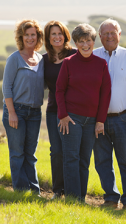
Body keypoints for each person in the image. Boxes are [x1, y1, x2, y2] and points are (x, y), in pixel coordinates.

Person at [93, 18, 126, 213]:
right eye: (105, 33)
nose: (109, 36)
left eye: (113, 32)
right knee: (102, 160)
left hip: (123, 118)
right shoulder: (93, 56)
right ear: (99, 37)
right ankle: (111, 198)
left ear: (119, 35)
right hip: (98, 120)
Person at [56, 23, 111, 201]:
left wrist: (100, 120)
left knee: (84, 160)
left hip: (92, 120)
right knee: (71, 158)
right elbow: (59, 90)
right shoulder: (68, 63)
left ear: (93, 42)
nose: (85, 45)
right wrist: (63, 115)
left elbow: (105, 94)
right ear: (76, 43)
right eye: (81, 41)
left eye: (88, 40)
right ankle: (73, 200)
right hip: (72, 119)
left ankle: (80, 198)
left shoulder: (101, 64)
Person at [2, 19, 44, 194]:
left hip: (35, 113)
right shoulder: (14, 59)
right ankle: (20, 190)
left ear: (38, 36)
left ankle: (34, 191)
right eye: (26, 35)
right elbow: (6, 87)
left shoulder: (41, 59)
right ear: (21, 37)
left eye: (33, 34)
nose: (29, 38)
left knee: (30, 154)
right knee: (17, 153)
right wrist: (11, 112)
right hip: (16, 111)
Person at [43, 20, 77, 200]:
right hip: (52, 111)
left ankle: (73, 191)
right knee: (56, 151)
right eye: (53, 34)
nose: (57, 37)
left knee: (71, 151)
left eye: (59, 33)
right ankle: (58, 190)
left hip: (74, 112)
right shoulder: (44, 59)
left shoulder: (75, 54)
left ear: (65, 35)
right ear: (48, 38)